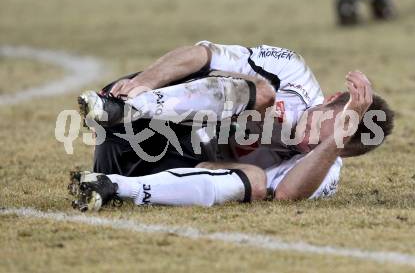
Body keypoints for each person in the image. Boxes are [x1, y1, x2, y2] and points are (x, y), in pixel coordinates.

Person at [69, 42, 394, 211]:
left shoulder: (324, 169)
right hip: (140, 107)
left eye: (320, 143)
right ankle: (121, 109)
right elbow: (201, 55)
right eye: (322, 123)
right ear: (331, 97)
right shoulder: (292, 73)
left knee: (254, 183)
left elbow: (285, 196)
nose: (307, 138)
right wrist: (142, 83)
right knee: (262, 92)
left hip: (151, 164)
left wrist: (333, 140)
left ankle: (110, 186)